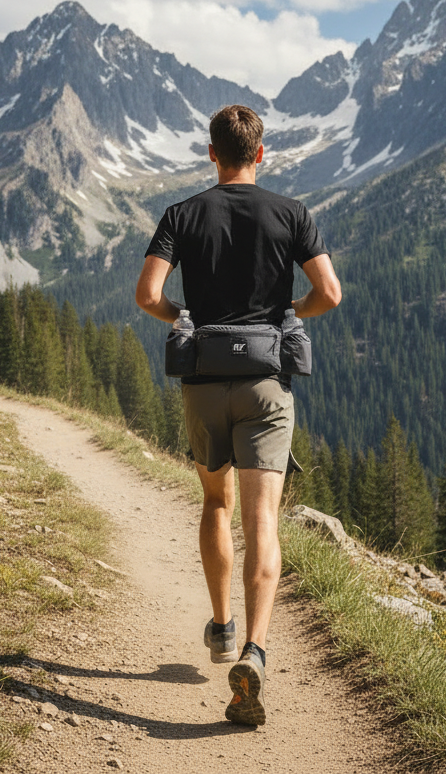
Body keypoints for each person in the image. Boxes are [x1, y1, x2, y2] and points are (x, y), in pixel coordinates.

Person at [135, 104, 342, 727]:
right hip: (265, 384)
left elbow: (148, 295)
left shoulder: (181, 214)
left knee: (215, 505)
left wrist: (190, 323)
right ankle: (253, 649)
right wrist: (283, 320)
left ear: (211, 153)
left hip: (203, 382)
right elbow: (328, 294)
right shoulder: (293, 213)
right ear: (261, 153)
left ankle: (221, 628)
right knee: (263, 519)